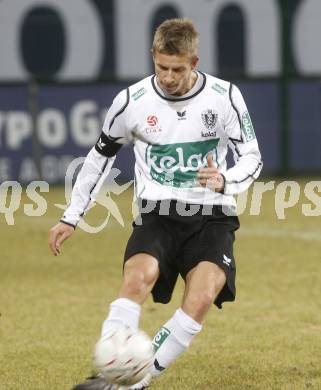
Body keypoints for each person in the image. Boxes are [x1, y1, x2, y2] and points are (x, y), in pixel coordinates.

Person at [49, 18, 262, 390]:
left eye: (177, 69)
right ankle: (109, 373)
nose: (168, 77)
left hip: (212, 216)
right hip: (157, 215)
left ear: (194, 63)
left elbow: (252, 157)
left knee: (202, 296)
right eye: (161, 67)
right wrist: (72, 215)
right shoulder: (131, 102)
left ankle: (137, 380)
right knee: (136, 278)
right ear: (153, 58)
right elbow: (99, 158)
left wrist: (226, 179)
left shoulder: (224, 97)